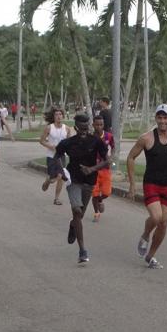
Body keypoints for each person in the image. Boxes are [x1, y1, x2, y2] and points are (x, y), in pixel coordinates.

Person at [127, 104, 167, 269]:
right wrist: (132, 184)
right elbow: (131, 157)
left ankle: (151, 256)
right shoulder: (146, 138)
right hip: (152, 184)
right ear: (156, 118)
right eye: (160, 117)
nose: (163, 121)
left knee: (163, 223)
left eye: (166, 117)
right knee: (156, 217)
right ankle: (145, 235)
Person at [52, 114, 110, 264]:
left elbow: (107, 161)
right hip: (74, 181)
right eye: (81, 128)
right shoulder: (68, 143)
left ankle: (73, 225)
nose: (84, 131)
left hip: (89, 182)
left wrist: (92, 169)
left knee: (80, 216)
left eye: (86, 128)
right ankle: (82, 251)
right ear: (76, 127)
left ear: (88, 127)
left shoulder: (96, 141)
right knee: (77, 211)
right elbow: (56, 156)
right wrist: (61, 171)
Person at [40, 107, 72, 205]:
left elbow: (69, 143)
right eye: (56, 114)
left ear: (63, 116)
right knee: (54, 178)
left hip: (61, 156)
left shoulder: (66, 128)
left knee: (61, 177)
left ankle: (56, 198)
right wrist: (50, 146)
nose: (58, 116)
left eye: (60, 114)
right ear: (53, 117)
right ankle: (48, 180)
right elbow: (41, 141)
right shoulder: (49, 128)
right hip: (51, 156)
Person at [91, 115, 115, 222]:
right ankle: (96, 213)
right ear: (93, 125)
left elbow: (113, 148)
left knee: (107, 192)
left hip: (105, 168)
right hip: (94, 169)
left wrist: (110, 157)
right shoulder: (90, 137)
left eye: (101, 124)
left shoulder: (109, 136)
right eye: (97, 124)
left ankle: (100, 200)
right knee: (94, 193)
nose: (99, 127)